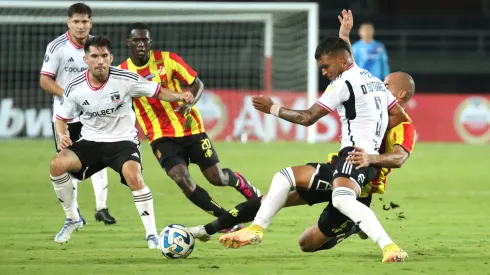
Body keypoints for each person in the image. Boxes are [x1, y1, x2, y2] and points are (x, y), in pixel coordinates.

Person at [216, 32, 410, 262]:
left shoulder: (342, 83)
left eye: (326, 66)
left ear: (341, 59)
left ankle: (390, 247)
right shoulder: (374, 81)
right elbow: (399, 115)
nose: (324, 72)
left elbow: (309, 117)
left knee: (341, 200)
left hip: (354, 156)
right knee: (284, 177)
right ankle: (256, 228)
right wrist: (375, 135)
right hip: (347, 157)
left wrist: (273, 109)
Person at [50, 36, 194, 248]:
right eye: (94, 56)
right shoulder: (75, 87)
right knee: (57, 165)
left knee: (134, 177)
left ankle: (152, 234)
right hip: (91, 141)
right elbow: (61, 118)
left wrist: (181, 95)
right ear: (86, 59)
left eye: (104, 56)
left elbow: (158, 91)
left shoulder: (126, 78)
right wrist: (62, 135)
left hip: (123, 141)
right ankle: (73, 218)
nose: (100, 61)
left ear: (111, 58)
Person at [118, 23, 261, 232]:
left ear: (150, 42)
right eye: (136, 40)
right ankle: (225, 221)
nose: (141, 44)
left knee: (217, 178)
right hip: (160, 136)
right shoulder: (123, 73)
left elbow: (197, 84)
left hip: (190, 128)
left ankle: (243, 185)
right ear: (128, 43)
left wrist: (190, 103)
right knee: (182, 179)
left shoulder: (167, 60)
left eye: (145, 40)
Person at [40, 2, 116, 225]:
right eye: (76, 21)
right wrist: (70, 95)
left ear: (90, 22)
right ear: (68, 23)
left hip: (94, 114)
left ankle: (101, 207)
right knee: (68, 163)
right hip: (67, 117)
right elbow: (45, 80)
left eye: (84, 21)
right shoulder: (57, 47)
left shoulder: (96, 49)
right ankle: (73, 214)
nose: (81, 26)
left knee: (100, 157)